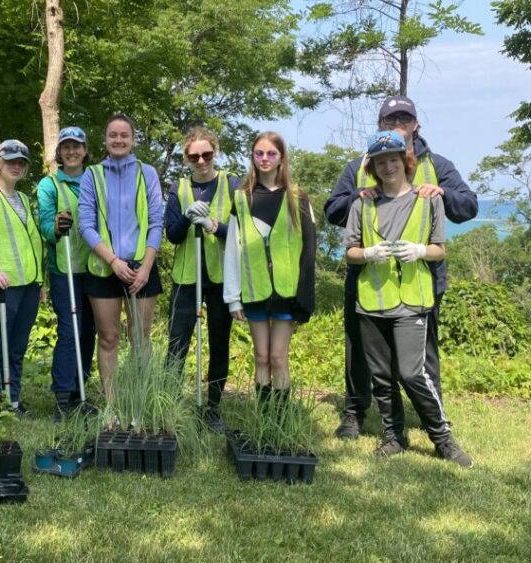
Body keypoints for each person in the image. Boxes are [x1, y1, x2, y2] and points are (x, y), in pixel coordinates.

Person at [325, 95, 478, 439]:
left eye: (404, 120)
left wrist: (442, 192)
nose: (397, 125)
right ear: (380, 126)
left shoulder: (437, 164)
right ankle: (355, 413)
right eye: (390, 121)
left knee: (423, 357)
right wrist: (356, 197)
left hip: (421, 279)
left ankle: (431, 418)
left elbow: (468, 207)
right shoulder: (358, 167)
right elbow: (333, 210)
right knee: (362, 352)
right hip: (367, 278)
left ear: (416, 125)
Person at [223, 131, 316, 408]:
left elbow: (309, 250)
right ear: (252, 157)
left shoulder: (297, 197)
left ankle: (281, 419)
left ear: (281, 159)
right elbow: (232, 248)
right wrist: (232, 297)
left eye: (271, 154)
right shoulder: (242, 198)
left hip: (287, 293)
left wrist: (305, 298)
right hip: (255, 292)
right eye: (259, 153)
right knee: (261, 356)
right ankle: (263, 418)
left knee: (278, 357)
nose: (265, 159)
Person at [77, 112, 163, 401]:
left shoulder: (147, 173)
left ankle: (140, 401)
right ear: (105, 140)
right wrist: (113, 260)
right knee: (109, 338)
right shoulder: (92, 175)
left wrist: (147, 266)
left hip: (142, 270)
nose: (118, 140)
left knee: (140, 339)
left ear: (133, 139)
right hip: (104, 269)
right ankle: (113, 405)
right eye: (113, 135)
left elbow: (155, 221)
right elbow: (86, 225)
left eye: (124, 135)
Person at [164, 127, 239, 430]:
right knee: (177, 344)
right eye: (194, 155)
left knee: (219, 343)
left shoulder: (231, 185)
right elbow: (172, 234)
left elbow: (238, 233)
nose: (201, 160)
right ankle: (167, 404)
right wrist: (186, 217)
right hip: (186, 277)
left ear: (214, 152)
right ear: (186, 157)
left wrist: (212, 224)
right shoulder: (178, 189)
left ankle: (213, 408)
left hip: (220, 277)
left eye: (206, 154)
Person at [0, 139, 43, 412]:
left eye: (21, 162)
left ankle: (12, 399)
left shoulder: (23, 198)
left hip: (27, 284)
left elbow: (30, 241)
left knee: (16, 346)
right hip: (2, 283)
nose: (16, 166)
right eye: (11, 160)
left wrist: (39, 281)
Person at [36, 126, 97, 420]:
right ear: (59, 152)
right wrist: (57, 228)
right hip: (65, 270)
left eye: (77, 146)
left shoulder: (96, 181)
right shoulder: (49, 186)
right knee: (69, 331)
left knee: (88, 332)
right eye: (66, 147)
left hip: (96, 267)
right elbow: (45, 228)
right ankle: (62, 396)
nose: (72, 151)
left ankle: (79, 391)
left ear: (85, 150)